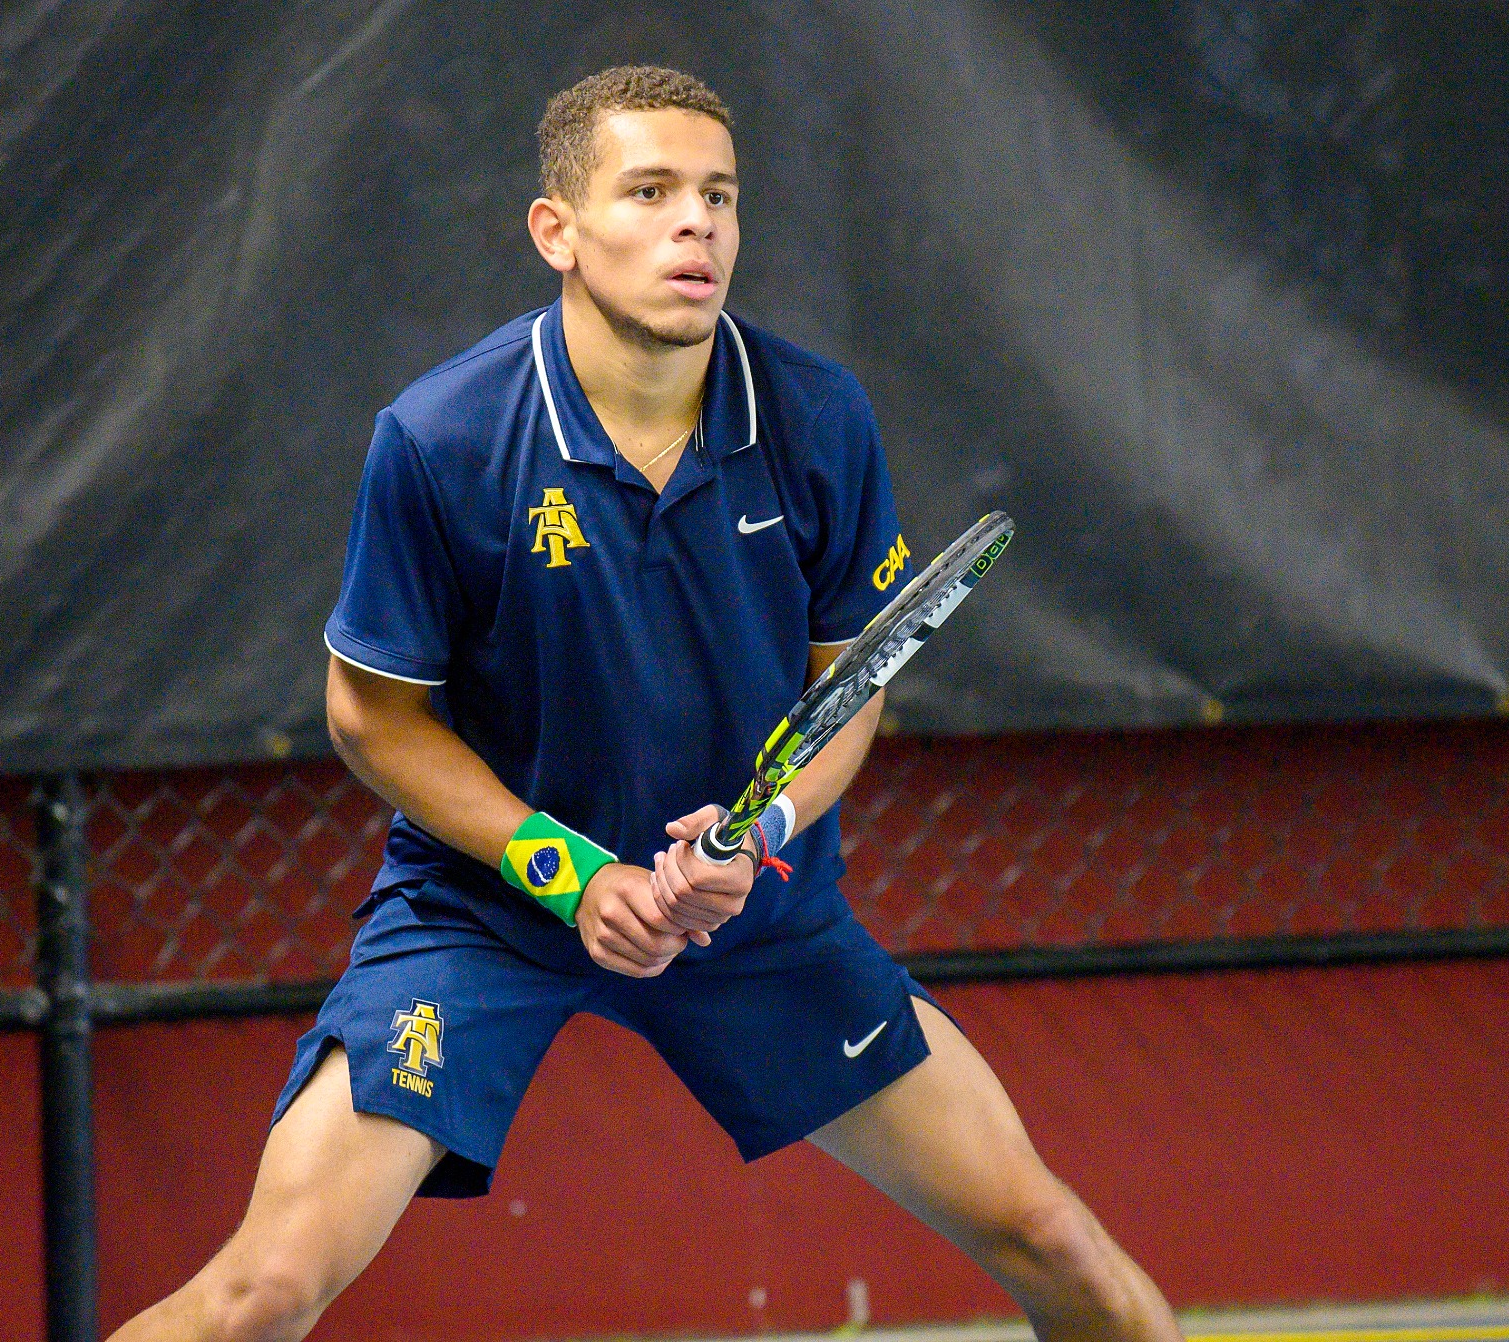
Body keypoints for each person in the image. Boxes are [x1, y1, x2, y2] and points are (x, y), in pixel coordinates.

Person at [108, 65, 1184, 1342]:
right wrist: (564, 870)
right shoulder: (440, 438)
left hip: (745, 915)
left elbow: (849, 690)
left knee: (1052, 1238)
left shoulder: (815, 419)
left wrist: (765, 834)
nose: (699, 226)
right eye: (653, 191)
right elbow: (371, 719)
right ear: (555, 230)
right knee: (261, 1294)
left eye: (719, 197)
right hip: (488, 912)